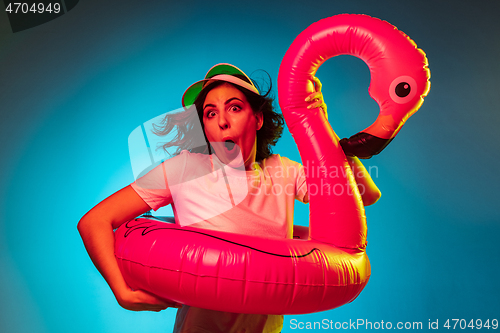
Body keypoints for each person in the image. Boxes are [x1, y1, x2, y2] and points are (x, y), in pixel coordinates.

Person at [78, 63, 381, 333]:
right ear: (205, 127)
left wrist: (320, 124)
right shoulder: (184, 169)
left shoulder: (284, 171)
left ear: (258, 119)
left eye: (234, 108)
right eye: (210, 113)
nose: (222, 121)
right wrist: (121, 292)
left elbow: (366, 195)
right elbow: (95, 221)